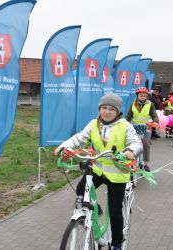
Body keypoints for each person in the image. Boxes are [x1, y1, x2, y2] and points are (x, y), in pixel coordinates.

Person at [54, 93, 142, 250]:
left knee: (115, 211)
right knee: (80, 189)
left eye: (111, 109)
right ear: (99, 109)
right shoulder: (94, 124)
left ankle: (116, 244)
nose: (107, 112)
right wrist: (64, 146)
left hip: (117, 175)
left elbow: (136, 143)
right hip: (97, 170)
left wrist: (130, 151)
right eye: (103, 108)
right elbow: (79, 138)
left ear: (117, 111)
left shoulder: (125, 126)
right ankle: (93, 210)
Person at [126, 87, 159, 172]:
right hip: (134, 127)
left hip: (146, 127)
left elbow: (154, 115)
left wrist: (155, 121)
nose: (143, 97)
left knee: (145, 144)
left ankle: (146, 164)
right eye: (141, 96)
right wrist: (124, 123)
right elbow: (128, 116)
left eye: (144, 96)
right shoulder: (132, 104)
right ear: (137, 96)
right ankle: (132, 160)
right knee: (132, 144)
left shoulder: (150, 104)